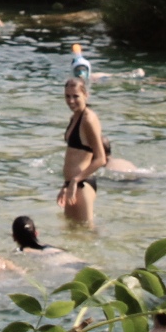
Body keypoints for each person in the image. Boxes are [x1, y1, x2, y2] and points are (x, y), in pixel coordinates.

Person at [58, 77, 108, 223]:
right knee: (71, 232)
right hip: (72, 185)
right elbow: (74, 156)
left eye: (75, 96)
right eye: (67, 96)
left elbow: (100, 158)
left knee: (87, 232)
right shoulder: (74, 117)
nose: (71, 101)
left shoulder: (88, 119)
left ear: (86, 95)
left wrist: (75, 180)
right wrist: (66, 184)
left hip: (83, 184)